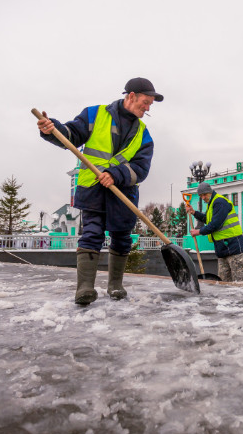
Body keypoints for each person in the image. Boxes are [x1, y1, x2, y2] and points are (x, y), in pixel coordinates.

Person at [37, 77, 162, 305]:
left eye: (150, 104)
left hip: (122, 194)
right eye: (145, 102)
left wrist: (116, 174)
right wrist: (51, 129)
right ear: (131, 96)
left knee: (122, 238)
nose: (147, 107)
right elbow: (71, 135)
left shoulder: (144, 134)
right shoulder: (95, 114)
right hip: (93, 189)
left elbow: (141, 169)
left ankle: (115, 285)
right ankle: (84, 287)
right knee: (92, 233)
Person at [187, 182, 243, 282]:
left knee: (240, 281)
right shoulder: (211, 204)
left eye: (204, 195)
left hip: (233, 246)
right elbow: (207, 219)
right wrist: (194, 213)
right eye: (200, 196)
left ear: (210, 192)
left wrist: (198, 232)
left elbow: (215, 224)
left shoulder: (219, 202)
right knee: (224, 282)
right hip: (222, 249)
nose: (203, 197)